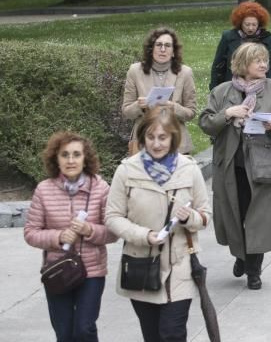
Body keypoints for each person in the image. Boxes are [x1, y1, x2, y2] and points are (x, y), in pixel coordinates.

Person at [199, 42, 271, 290]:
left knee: (260, 220)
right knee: (236, 215)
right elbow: (205, 122)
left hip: (266, 164)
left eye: (265, 60)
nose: (264, 65)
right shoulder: (222, 91)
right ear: (244, 64)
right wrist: (228, 113)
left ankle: (254, 271)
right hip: (232, 164)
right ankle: (240, 256)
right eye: (258, 61)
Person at [106, 107, 211, 342]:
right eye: (150, 137)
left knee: (173, 333)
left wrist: (189, 218)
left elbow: (205, 215)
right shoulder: (126, 170)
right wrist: (145, 235)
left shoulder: (189, 169)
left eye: (162, 137)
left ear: (173, 137)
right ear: (142, 137)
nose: (156, 144)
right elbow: (112, 216)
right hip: (142, 265)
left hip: (180, 264)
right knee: (152, 335)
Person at [25, 132, 117, 342]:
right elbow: (30, 232)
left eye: (76, 154)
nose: (71, 160)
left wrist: (89, 231)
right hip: (58, 269)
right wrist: (58, 237)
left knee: (84, 329)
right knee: (64, 334)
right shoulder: (44, 190)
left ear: (86, 158)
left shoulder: (101, 188)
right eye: (64, 155)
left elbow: (113, 232)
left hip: (92, 271)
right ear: (56, 159)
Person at [122, 27, 197, 155]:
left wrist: (174, 107)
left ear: (174, 51)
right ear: (151, 49)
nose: (163, 49)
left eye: (167, 45)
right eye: (158, 45)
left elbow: (191, 112)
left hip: (176, 142)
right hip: (143, 142)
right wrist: (139, 106)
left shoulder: (185, 73)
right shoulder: (135, 71)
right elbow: (126, 111)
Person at [210, 1, 271, 89]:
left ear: (259, 24)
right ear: (240, 23)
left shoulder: (267, 38)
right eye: (247, 24)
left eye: (254, 25)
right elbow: (217, 65)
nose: (250, 28)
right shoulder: (228, 37)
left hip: (260, 86)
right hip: (233, 84)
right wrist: (214, 88)